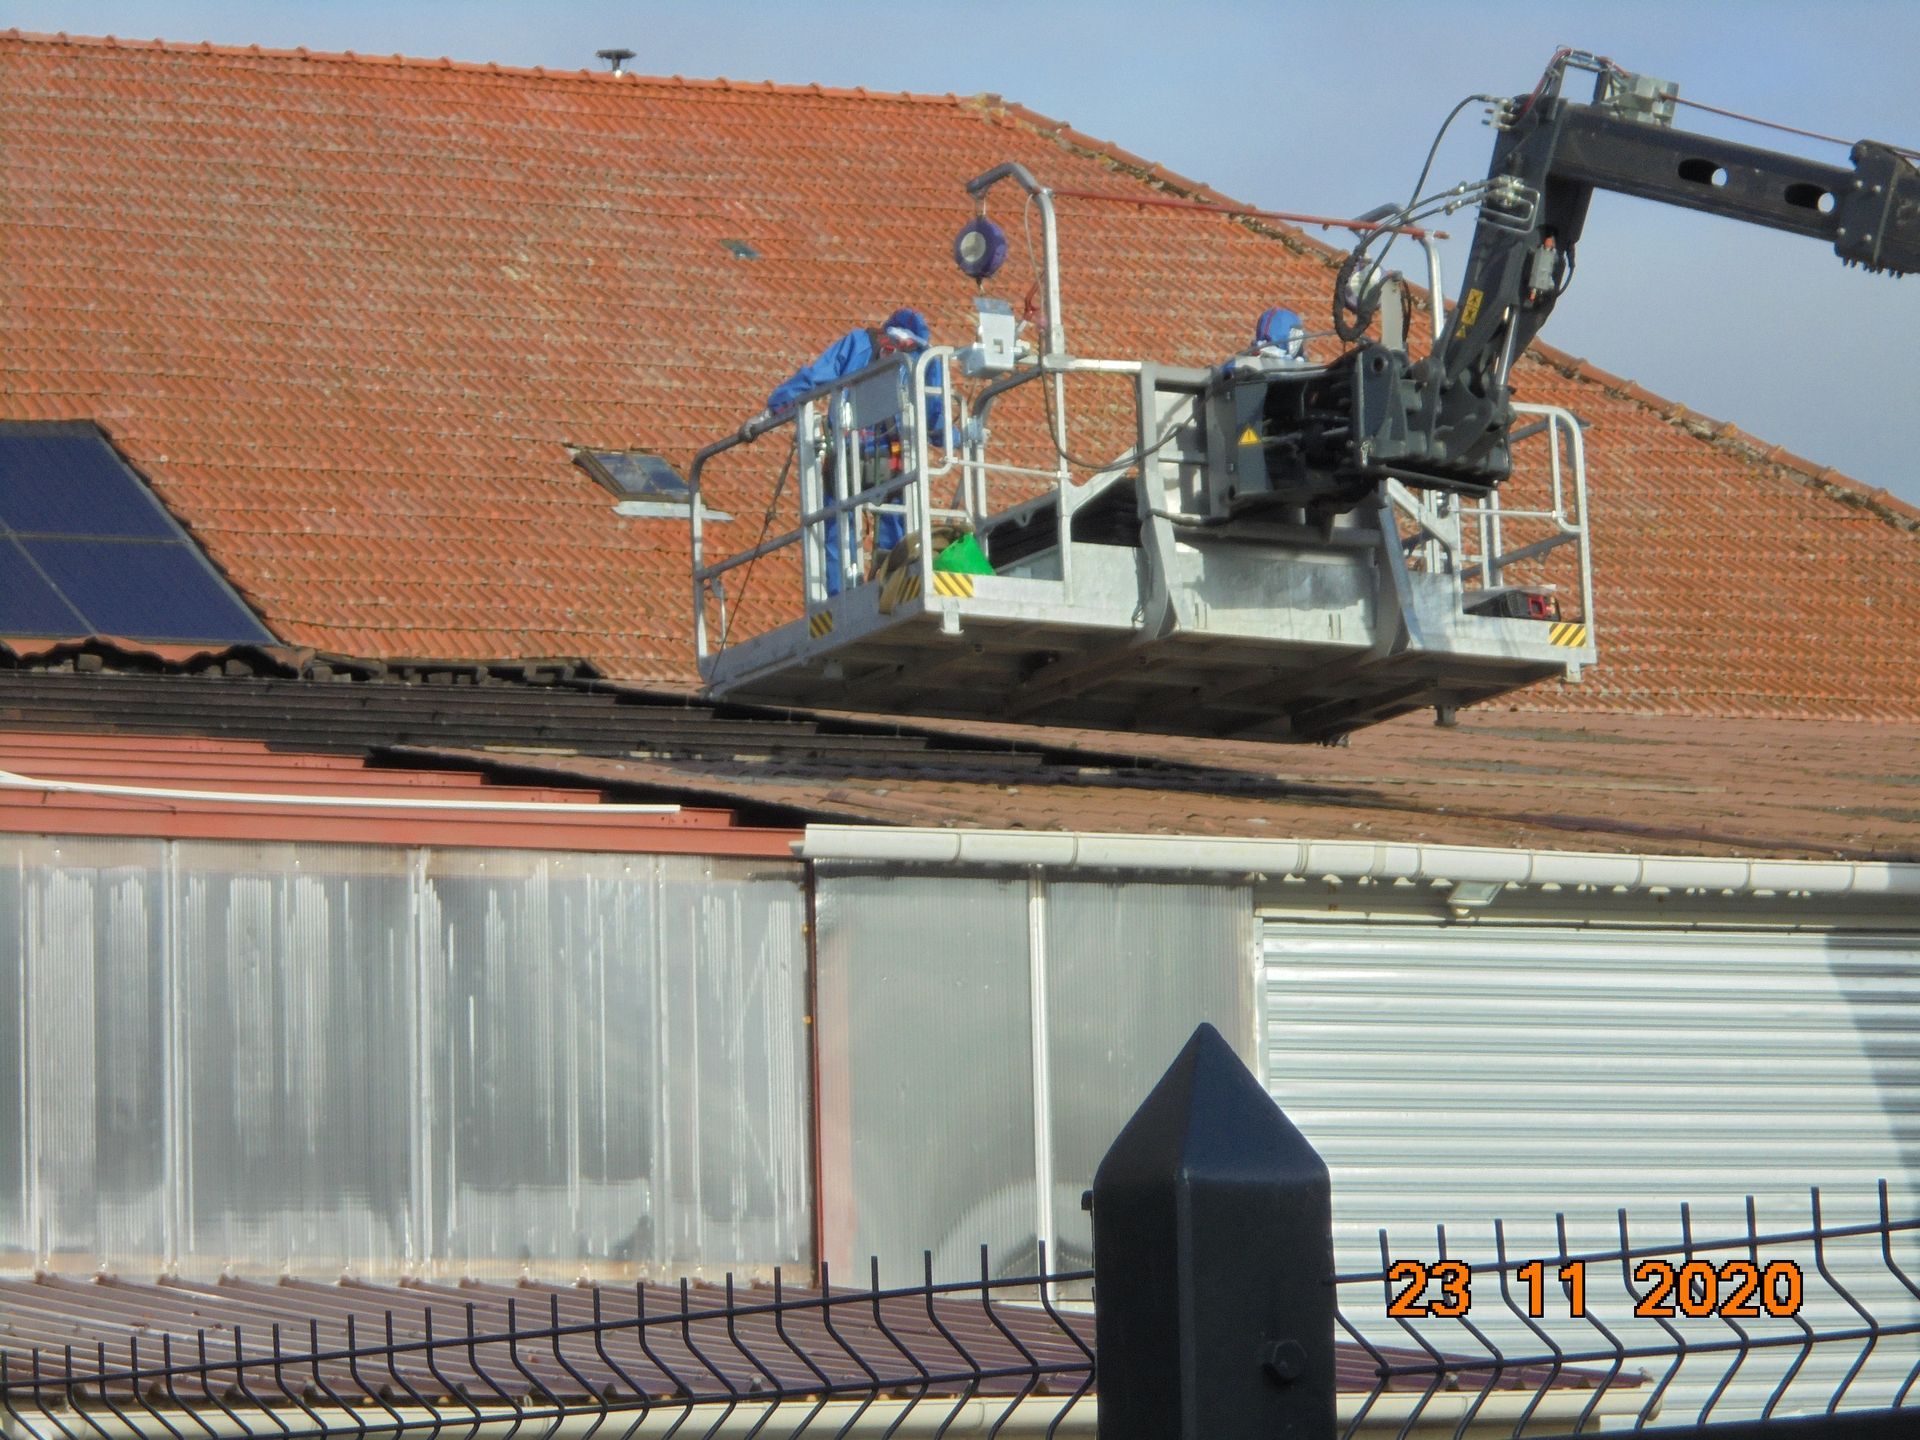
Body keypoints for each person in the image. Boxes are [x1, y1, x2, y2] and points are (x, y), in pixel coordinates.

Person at [766, 308, 947, 595]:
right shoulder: (911, 357)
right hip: (875, 454)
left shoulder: (872, 347)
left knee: (860, 522)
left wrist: (775, 407)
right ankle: (884, 584)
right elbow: (935, 419)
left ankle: (867, 588)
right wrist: (957, 437)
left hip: (871, 453)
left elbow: (817, 377)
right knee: (869, 522)